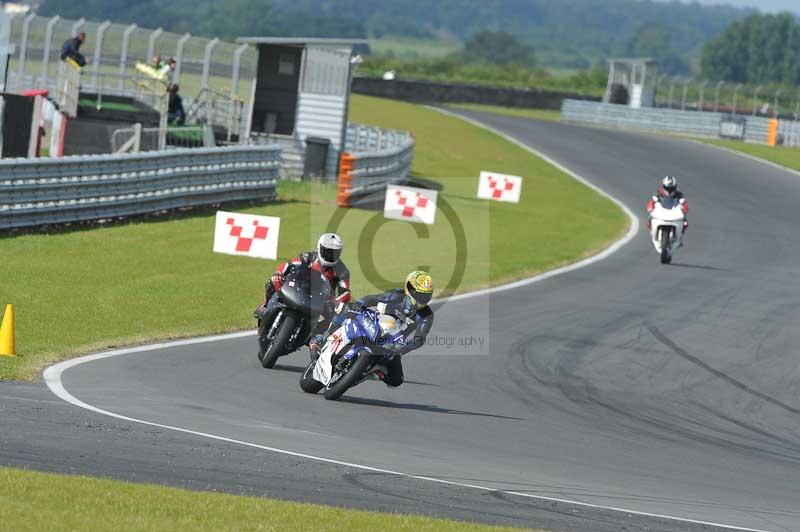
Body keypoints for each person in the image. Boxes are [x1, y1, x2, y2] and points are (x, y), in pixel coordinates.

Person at [311, 271, 435, 388]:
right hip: (374, 325)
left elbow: (419, 339)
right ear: (410, 289)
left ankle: (370, 371)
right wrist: (359, 304)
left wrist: (404, 348)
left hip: (392, 344)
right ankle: (324, 336)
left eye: (426, 296)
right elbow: (372, 299)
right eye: (420, 294)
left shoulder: (426, 315)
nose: (422, 299)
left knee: (396, 380)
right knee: (346, 309)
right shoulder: (397, 295)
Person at [255, 233, 351, 320]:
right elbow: (289, 264)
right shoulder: (308, 256)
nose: (330, 255)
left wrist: (338, 301)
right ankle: (265, 305)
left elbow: (345, 291)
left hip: (322, 300)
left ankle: (319, 338)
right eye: (327, 251)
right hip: (299, 288)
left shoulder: (342, 271)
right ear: (319, 248)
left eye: (335, 253)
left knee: (335, 318)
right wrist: (279, 273)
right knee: (273, 281)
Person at [647, 175, 689, 245]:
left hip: (674, 211)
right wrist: (651, 207)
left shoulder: (678, 194)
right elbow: (652, 200)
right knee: (650, 219)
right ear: (663, 186)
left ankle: (680, 235)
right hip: (661, 210)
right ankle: (652, 233)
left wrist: (684, 208)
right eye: (667, 188)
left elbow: (684, 202)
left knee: (685, 222)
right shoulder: (659, 192)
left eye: (671, 188)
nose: (669, 190)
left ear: (675, 187)